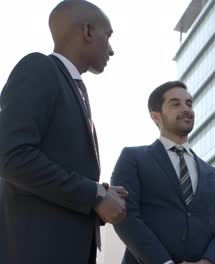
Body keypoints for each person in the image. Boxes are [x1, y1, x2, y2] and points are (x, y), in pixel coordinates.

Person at [0, 1, 127, 264]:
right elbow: (11, 156)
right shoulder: (38, 68)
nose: (112, 50)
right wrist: (94, 195)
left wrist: (99, 190)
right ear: (88, 32)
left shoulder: (72, 86)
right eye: (109, 35)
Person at [111, 81, 215, 264]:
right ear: (156, 116)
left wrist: (208, 262)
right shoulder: (133, 158)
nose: (186, 109)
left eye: (189, 104)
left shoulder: (213, 174)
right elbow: (125, 216)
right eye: (175, 104)